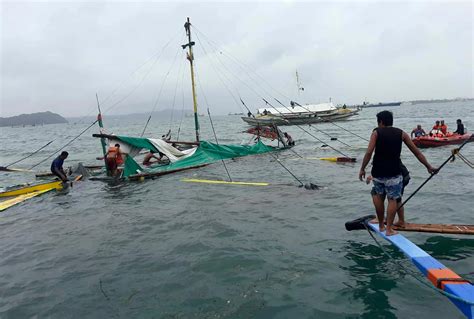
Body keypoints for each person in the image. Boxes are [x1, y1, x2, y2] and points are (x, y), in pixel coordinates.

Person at [359, 110, 437, 236]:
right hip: (394, 172)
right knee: (392, 199)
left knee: (378, 196)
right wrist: (428, 166)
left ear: (381, 122)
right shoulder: (402, 133)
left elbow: (369, 152)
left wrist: (362, 168)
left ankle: (381, 225)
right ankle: (389, 229)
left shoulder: (376, 133)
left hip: (378, 172)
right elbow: (416, 152)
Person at [366, 161, 410, 228]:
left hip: (398, 176)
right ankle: (400, 221)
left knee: (378, 194)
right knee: (395, 199)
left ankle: (383, 219)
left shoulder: (381, 156)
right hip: (400, 175)